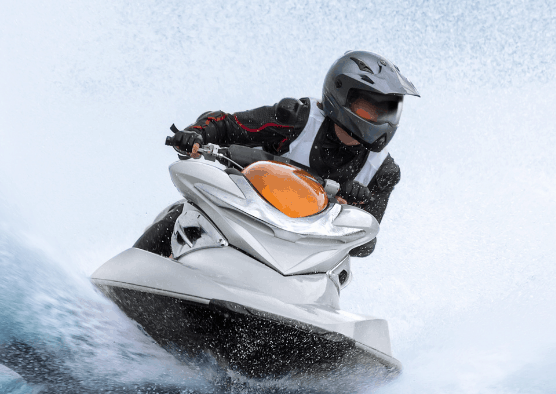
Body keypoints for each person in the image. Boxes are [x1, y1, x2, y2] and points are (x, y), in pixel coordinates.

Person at [142, 50, 419, 259]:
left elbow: (365, 246)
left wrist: (351, 209)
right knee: (180, 215)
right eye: (370, 108)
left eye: (387, 110)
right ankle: (124, 280)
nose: (380, 118)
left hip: (302, 253)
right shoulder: (296, 118)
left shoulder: (383, 172)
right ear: (341, 95)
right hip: (242, 215)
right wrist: (195, 134)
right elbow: (226, 125)